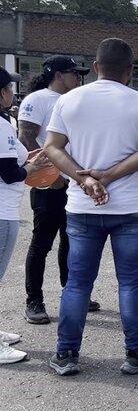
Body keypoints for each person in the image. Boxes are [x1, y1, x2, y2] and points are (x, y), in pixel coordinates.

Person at [44, 38, 138, 376]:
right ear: (130, 70)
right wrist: (109, 176)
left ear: (96, 67)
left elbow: (52, 148)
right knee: (130, 283)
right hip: (132, 208)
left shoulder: (69, 101)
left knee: (78, 284)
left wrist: (85, 180)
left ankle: (66, 354)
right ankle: (137, 353)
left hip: (83, 209)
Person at [18, 56, 100, 325]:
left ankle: (73, 295)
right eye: (73, 73)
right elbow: (27, 139)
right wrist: (48, 176)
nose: (78, 78)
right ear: (56, 74)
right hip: (49, 185)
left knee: (72, 242)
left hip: (74, 184)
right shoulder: (37, 100)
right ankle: (34, 300)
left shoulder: (75, 99)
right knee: (42, 243)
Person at [0, 67, 50, 364]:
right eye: (8, 88)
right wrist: (34, 167)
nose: (11, 92)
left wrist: (31, 159)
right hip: (3, 212)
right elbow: (9, 174)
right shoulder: (2, 125)